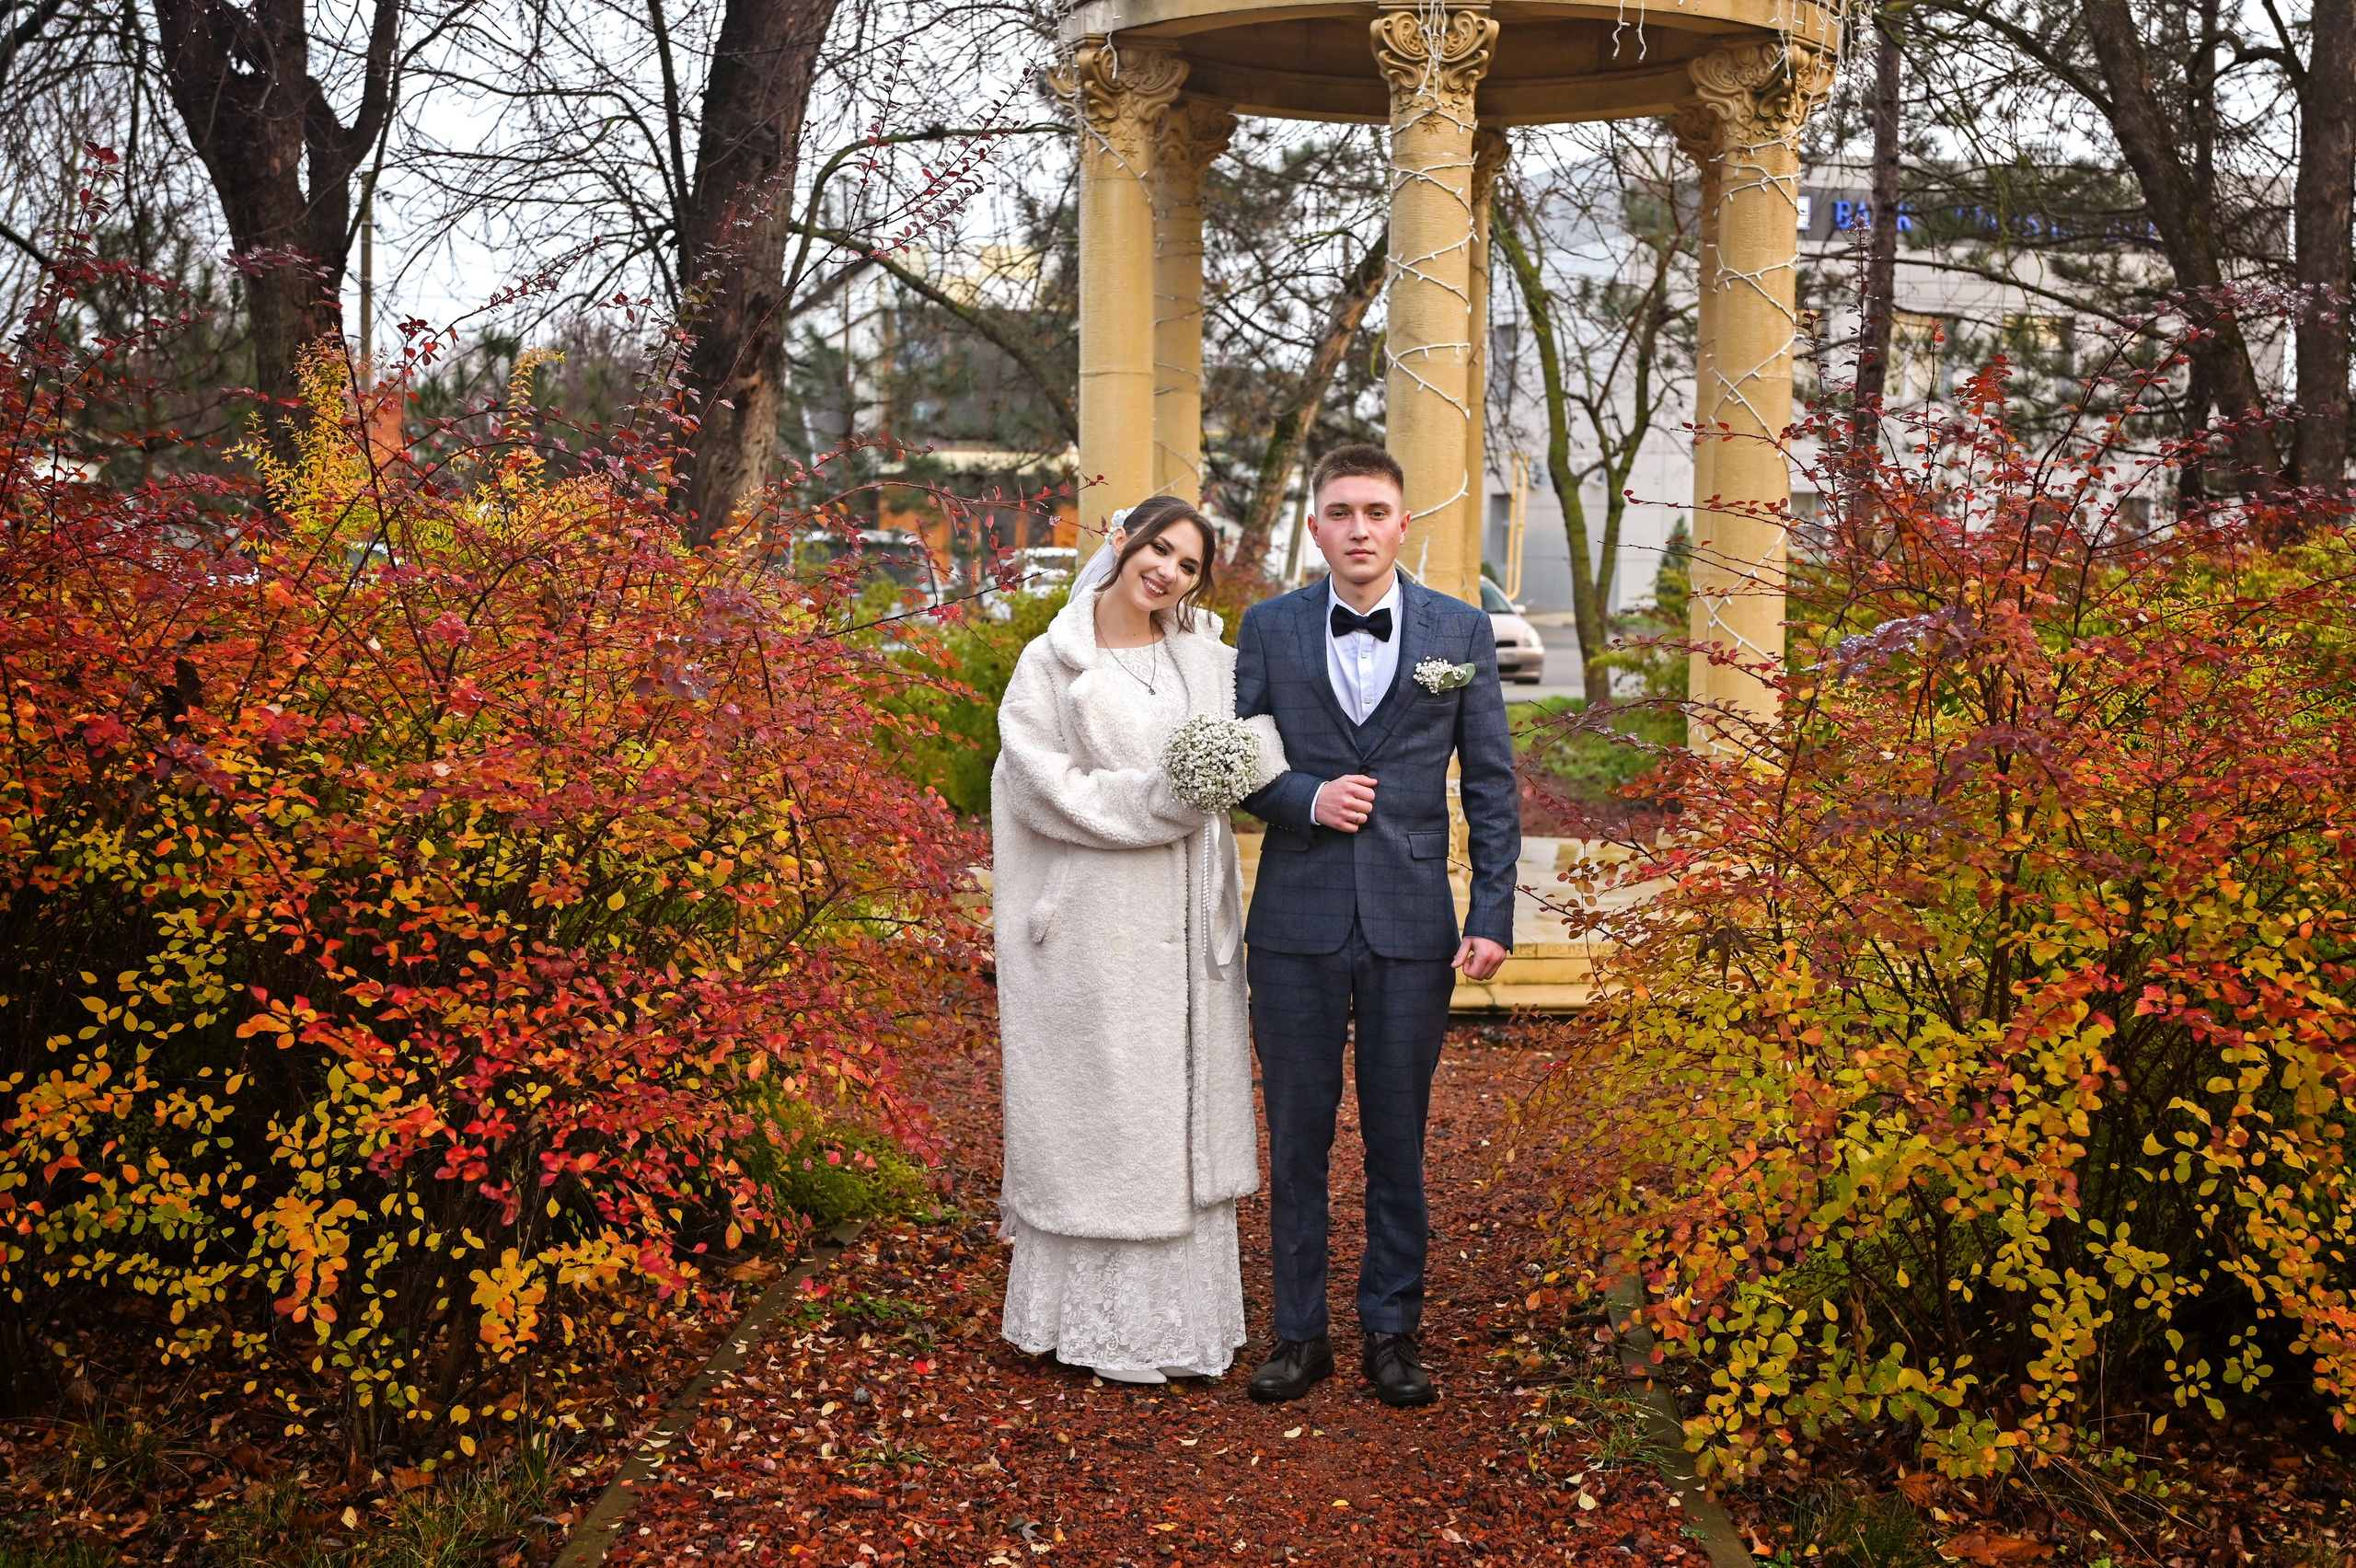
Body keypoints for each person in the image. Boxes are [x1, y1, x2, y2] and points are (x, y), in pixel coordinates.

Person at [1233, 444, 1520, 1407]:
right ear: (1314, 527)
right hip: (1293, 925)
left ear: (1404, 527)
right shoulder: (1267, 629)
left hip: (1411, 926)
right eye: (1341, 512)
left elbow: (1489, 784)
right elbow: (1236, 766)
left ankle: (1393, 1331)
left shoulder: (1461, 630)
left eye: (1376, 512)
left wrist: (1489, 914)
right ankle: (1297, 1332)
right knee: (1297, 1139)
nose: (1359, 528)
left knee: (1398, 1137)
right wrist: (1307, 798)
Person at [990, 496, 1286, 1383]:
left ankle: (1177, 1327)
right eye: (1158, 548)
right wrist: (1164, 802)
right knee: (1104, 1118)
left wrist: (1236, 770)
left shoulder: (1209, 661)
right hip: (1096, 930)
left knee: (1178, 1111)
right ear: (1121, 542)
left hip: (1192, 932)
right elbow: (1042, 788)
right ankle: (1087, 1328)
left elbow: (1265, 739)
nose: (1168, 571)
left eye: (1189, 565)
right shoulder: (1050, 664)